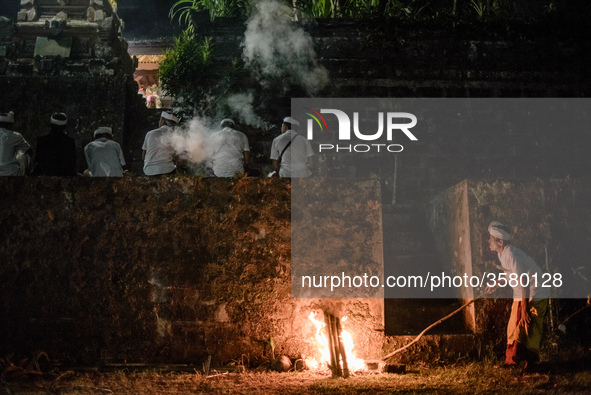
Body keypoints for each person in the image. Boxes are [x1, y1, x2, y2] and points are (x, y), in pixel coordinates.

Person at [485, 221, 550, 368]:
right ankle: (512, 361)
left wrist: (525, 308)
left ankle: (530, 362)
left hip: (535, 291)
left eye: (491, 238)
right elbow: (510, 274)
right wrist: (496, 283)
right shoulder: (503, 254)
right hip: (522, 292)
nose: (488, 241)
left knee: (529, 324)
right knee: (513, 324)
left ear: (500, 242)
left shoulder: (511, 254)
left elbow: (524, 280)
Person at [142, 111, 178, 176]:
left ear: (163, 120)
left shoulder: (150, 134)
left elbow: (143, 156)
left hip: (149, 171)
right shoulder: (174, 136)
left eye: (160, 119)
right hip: (167, 170)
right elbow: (177, 157)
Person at [0, 111, 33, 176]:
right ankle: (28, 178)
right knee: (25, 155)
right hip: (11, 172)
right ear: (10, 125)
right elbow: (30, 151)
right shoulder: (15, 136)